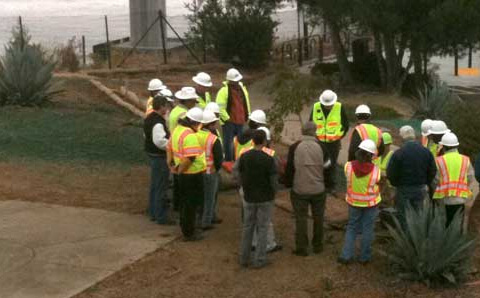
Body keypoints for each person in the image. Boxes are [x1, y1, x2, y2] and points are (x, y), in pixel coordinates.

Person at [285, 122, 331, 256]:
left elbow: (290, 168)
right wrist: (327, 185)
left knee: (301, 218)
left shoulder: (294, 147)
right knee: (318, 217)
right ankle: (318, 246)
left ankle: (301, 248)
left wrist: (289, 184)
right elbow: (328, 168)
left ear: (302, 131)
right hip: (318, 189)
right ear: (315, 131)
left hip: (299, 189)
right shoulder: (322, 147)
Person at [235, 130, 277, 269]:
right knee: (263, 228)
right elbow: (273, 181)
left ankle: (244, 258)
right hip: (265, 197)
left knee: (248, 227)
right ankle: (260, 259)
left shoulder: (244, 156)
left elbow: (238, 174)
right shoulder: (269, 159)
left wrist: (243, 187)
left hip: (249, 197)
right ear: (264, 141)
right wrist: (273, 193)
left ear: (252, 141)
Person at [338, 139, 381, 265]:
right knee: (368, 229)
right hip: (371, 204)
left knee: (352, 228)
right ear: (372, 155)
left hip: (353, 203)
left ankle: (346, 256)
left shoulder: (348, 166)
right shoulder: (376, 170)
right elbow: (378, 182)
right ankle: (364, 257)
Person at [167, 107, 206, 241]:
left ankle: (186, 228)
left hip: (182, 173)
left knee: (184, 202)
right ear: (195, 123)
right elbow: (190, 158)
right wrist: (180, 171)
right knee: (191, 204)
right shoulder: (189, 136)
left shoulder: (177, 130)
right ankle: (189, 233)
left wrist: (171, 164)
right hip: (191, 174)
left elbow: (169, 147)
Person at [387, 126, 436, 227]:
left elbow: (391, 173)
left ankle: (404, 239)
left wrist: (396, 184)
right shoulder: (426, 152)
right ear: (414, 136)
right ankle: (417, 240)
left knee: (403, 217)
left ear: (402, 137)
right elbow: (432, 171)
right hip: (420, 189)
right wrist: (426, 182)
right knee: (418, 216)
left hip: (403, 189)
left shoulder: (398, 153)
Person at [309, 89, 349, 194]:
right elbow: (310, 123)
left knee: (332, 164)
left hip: (333, 143)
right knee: (318, 163)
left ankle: (331, 187)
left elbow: (345, 125)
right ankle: (319, 185)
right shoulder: (316, 107)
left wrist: (339, 136)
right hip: (319, 142)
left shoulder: (339, 107)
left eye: (330, 104)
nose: (328, 106)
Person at [143, 95, 174, 225]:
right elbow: (159, 141)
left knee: (155, 185)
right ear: (161, 106)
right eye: (165, 106)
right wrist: (172, 146)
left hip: (153, 155)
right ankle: (160, 215)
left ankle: (153, 211)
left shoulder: (149, 119)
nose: (167, 108)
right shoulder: (157, 122)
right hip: (160, 157)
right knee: (161, 185)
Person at [251, 127, 282, 253]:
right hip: (265, 191)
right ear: (266, 140)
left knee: (251, 219)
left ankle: (253, 243)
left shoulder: (246, 151)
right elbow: (275, 173)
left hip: (249, 191)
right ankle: (269, 244)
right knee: (266, 220)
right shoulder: (271, 155)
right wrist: (275, 190)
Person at [432, 132, 473, 226]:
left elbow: (435, 180)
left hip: (443, 199)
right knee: (457, 226)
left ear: (444, 147)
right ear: (456, 146)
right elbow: (470, 178)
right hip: (460, 199)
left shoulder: (438, 160)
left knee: (445, 226)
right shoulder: (465, 160)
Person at [169, 87, 199, 213]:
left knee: (177, 184)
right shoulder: (184, 114)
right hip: (183, 150)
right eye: (193, 101)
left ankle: (177, 206)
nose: (194, 103)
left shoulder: (175, 110)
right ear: (187, 101)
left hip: (175, 147)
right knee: (184, 190)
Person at [216, 68, 251, 161]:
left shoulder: (242, 89)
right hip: (229, 122)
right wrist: (227, 119)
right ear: (229, 81)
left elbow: (246, 103)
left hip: (241, 120)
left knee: (241, 143)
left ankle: (239, 160)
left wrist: (247, 115)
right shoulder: (223, 91)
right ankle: (228, 161)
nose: (236, 82)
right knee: (228, 144)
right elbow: (220, 108)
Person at [197, 110, 223, 230]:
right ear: (211, 124)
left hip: (197, 170)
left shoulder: (195, 134)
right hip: (210, 171)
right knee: (210, 198)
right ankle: (206, 222)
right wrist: (216, 169)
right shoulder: (213, 139)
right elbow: (218, 158)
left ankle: (202, 218)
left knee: (201, 196)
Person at [379, 132, 394, 206]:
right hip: (379, 186)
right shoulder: (378, 157)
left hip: (389, 188)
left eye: (384, 146)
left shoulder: (392, 156)